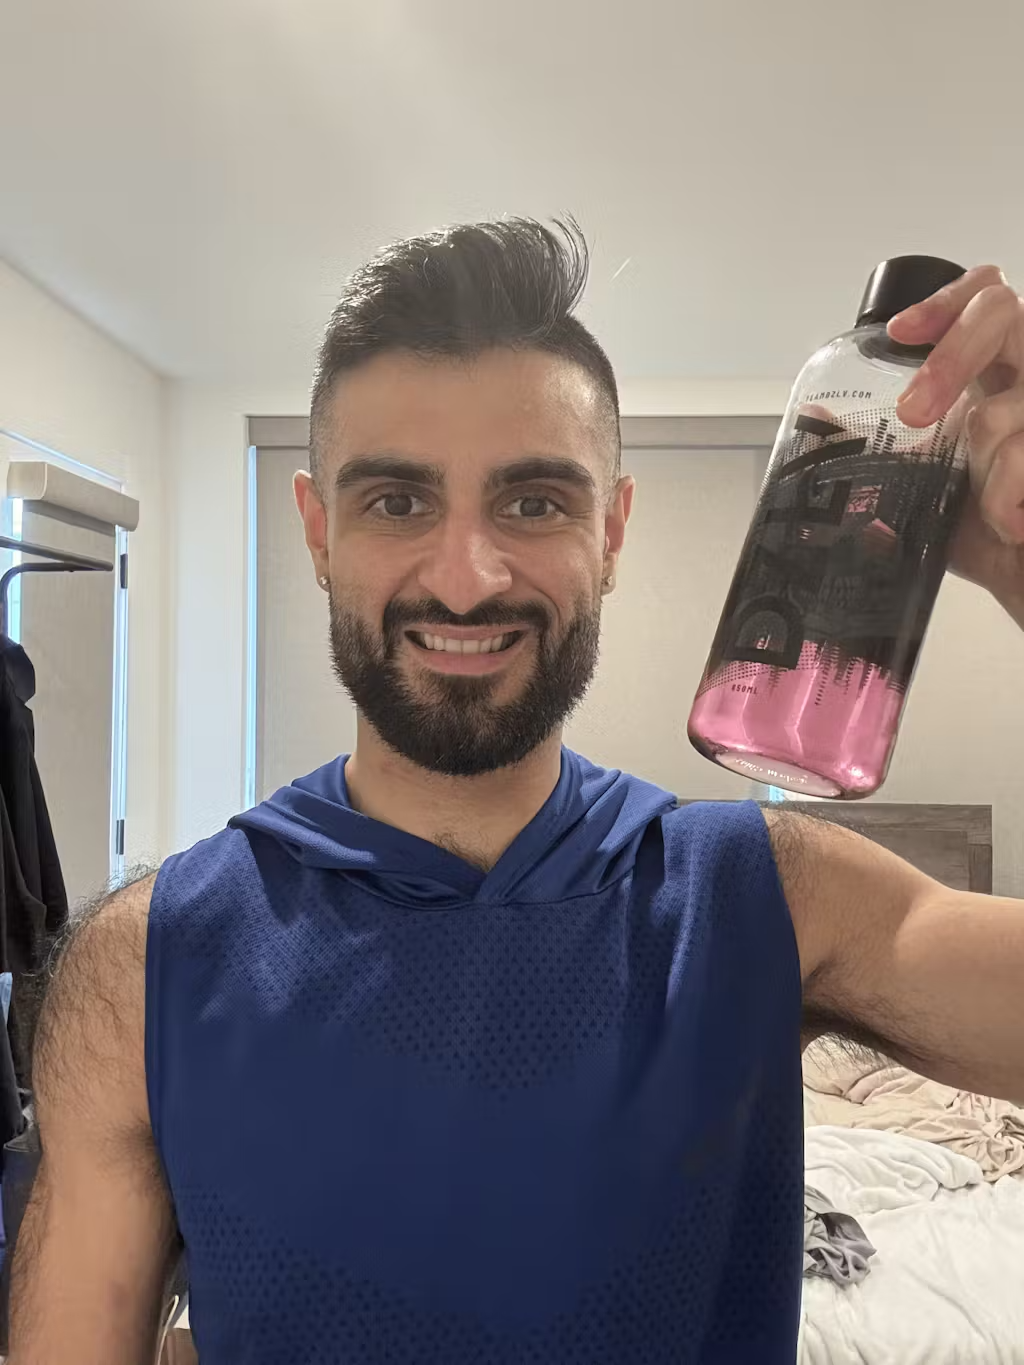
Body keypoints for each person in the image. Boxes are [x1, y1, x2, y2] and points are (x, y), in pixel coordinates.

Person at [9, 220, 1024, 1365]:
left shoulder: (774, 899)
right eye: (397, 503)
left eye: (533, 503)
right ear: (318, 532)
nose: (465, 579)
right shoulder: (144, 965)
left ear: (611, 532)